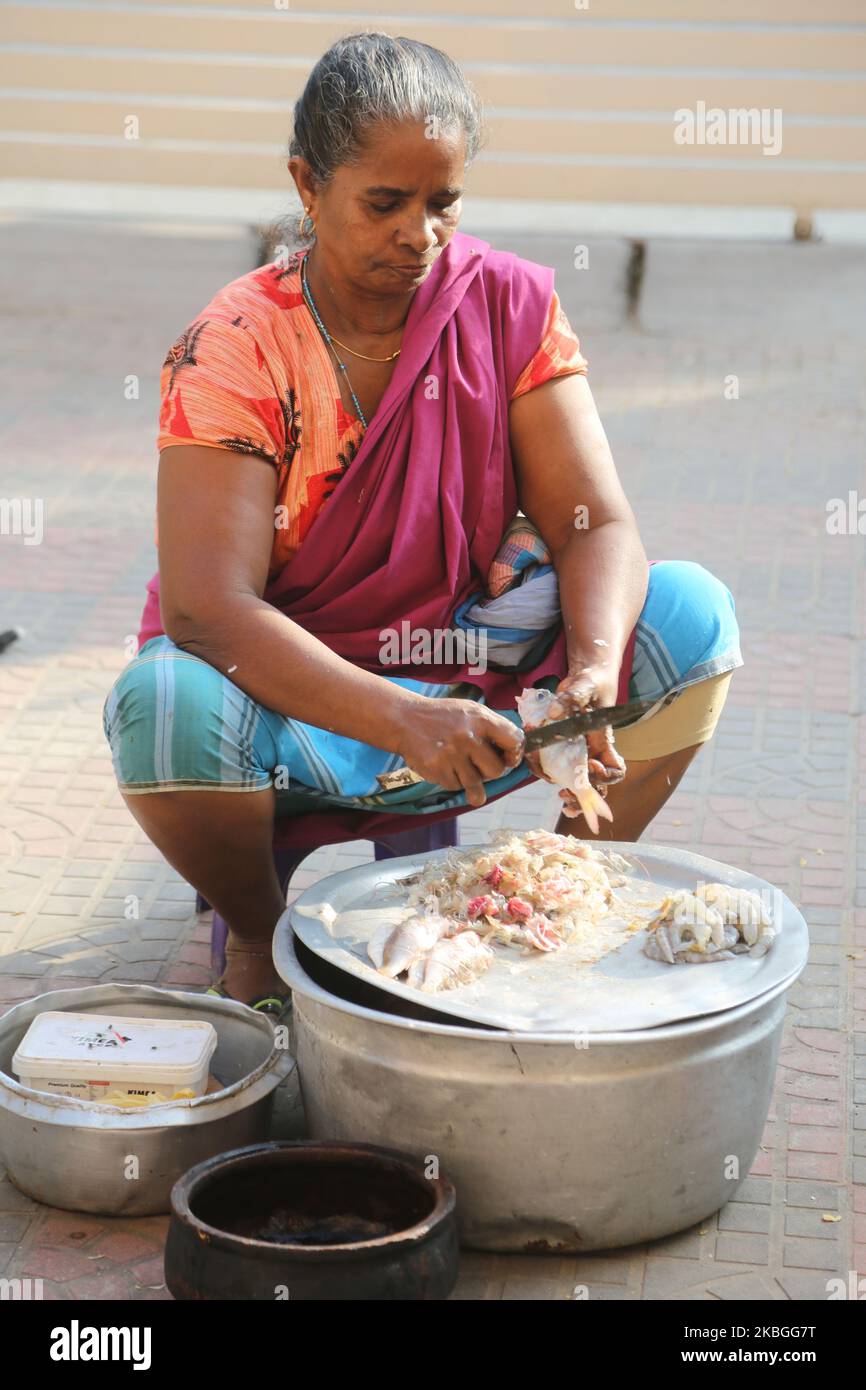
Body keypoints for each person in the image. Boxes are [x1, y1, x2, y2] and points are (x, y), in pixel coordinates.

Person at [103, 32, 742, 1006]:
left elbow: (592, 525)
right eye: (384, 203)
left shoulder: (505, 305)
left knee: (691, 618)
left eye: (441, 202)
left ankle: (547, 891)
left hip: (471, 674)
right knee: (162, 710)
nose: (420, 234)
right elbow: (207, 611)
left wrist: (589, 668)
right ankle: (255, 927)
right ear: (306, 186)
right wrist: (403, 718)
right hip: (299, 696)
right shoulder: (235, 345)